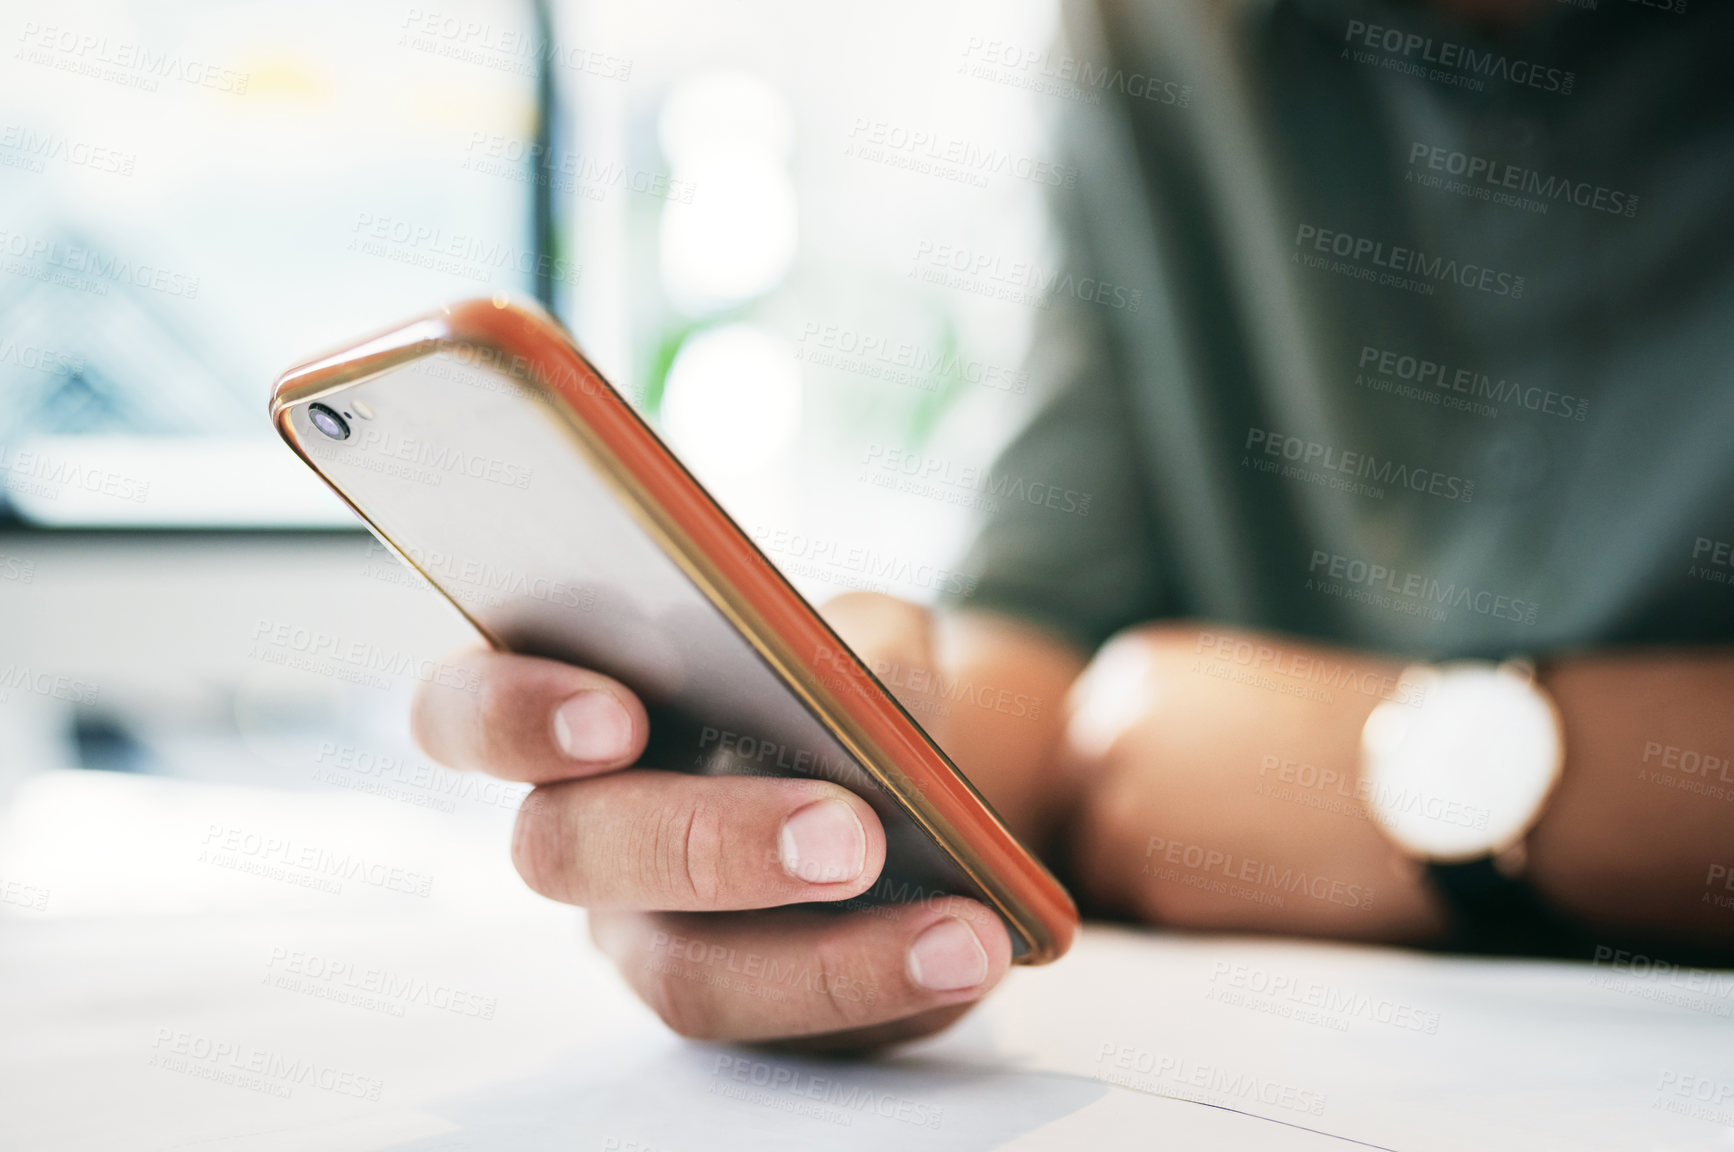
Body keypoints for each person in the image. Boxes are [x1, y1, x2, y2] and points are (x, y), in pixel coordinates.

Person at [410, 0, 1734, 1050]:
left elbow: (1135, 734)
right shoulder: (1144, 31)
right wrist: (819, 783)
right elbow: (1037, 631)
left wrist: (1384, 784)